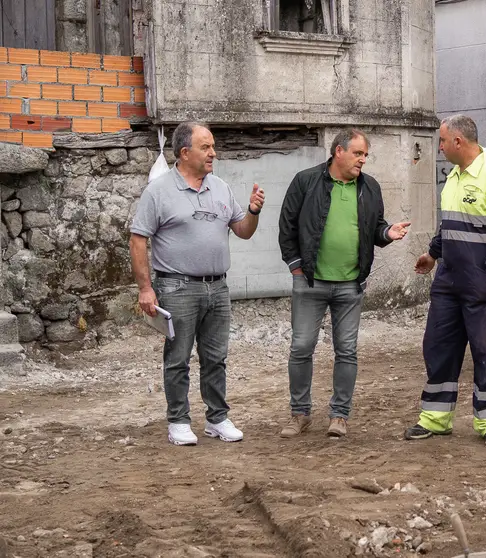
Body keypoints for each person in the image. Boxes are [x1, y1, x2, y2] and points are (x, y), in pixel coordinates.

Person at [129, 121, 265, 446]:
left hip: (218, 288)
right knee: (178, 358)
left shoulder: (220, 187)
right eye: (206, 147)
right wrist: (146, 289)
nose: (213, 153)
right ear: (185, 151)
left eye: (213, 146)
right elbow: (137, 240)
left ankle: (217, 419)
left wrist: (254, 211)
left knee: (216, 357)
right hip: (176, 288)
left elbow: (243, 230)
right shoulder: (159, 191)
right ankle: (178, 421)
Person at [277, 128, 411, 438]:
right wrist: (296, 267)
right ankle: (300, 414)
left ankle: (339, 416)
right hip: (310, 283)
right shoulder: (306, 181)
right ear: (339, 151)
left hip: (351, 285)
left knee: (347, 351)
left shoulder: (370, 187)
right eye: (358, 153)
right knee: (300, 348)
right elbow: (287, 226)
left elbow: (375, 228)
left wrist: (387, 234)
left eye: (365, 155)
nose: (363, 159)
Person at [403, 114, 486, 447]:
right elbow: (450, 226)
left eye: (442, 140)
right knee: (438, 347)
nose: (439, 147)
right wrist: (432, 254)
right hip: (448, 283)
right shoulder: (454, 177)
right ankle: (435, 419)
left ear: (458, 141)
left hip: (482, 284)